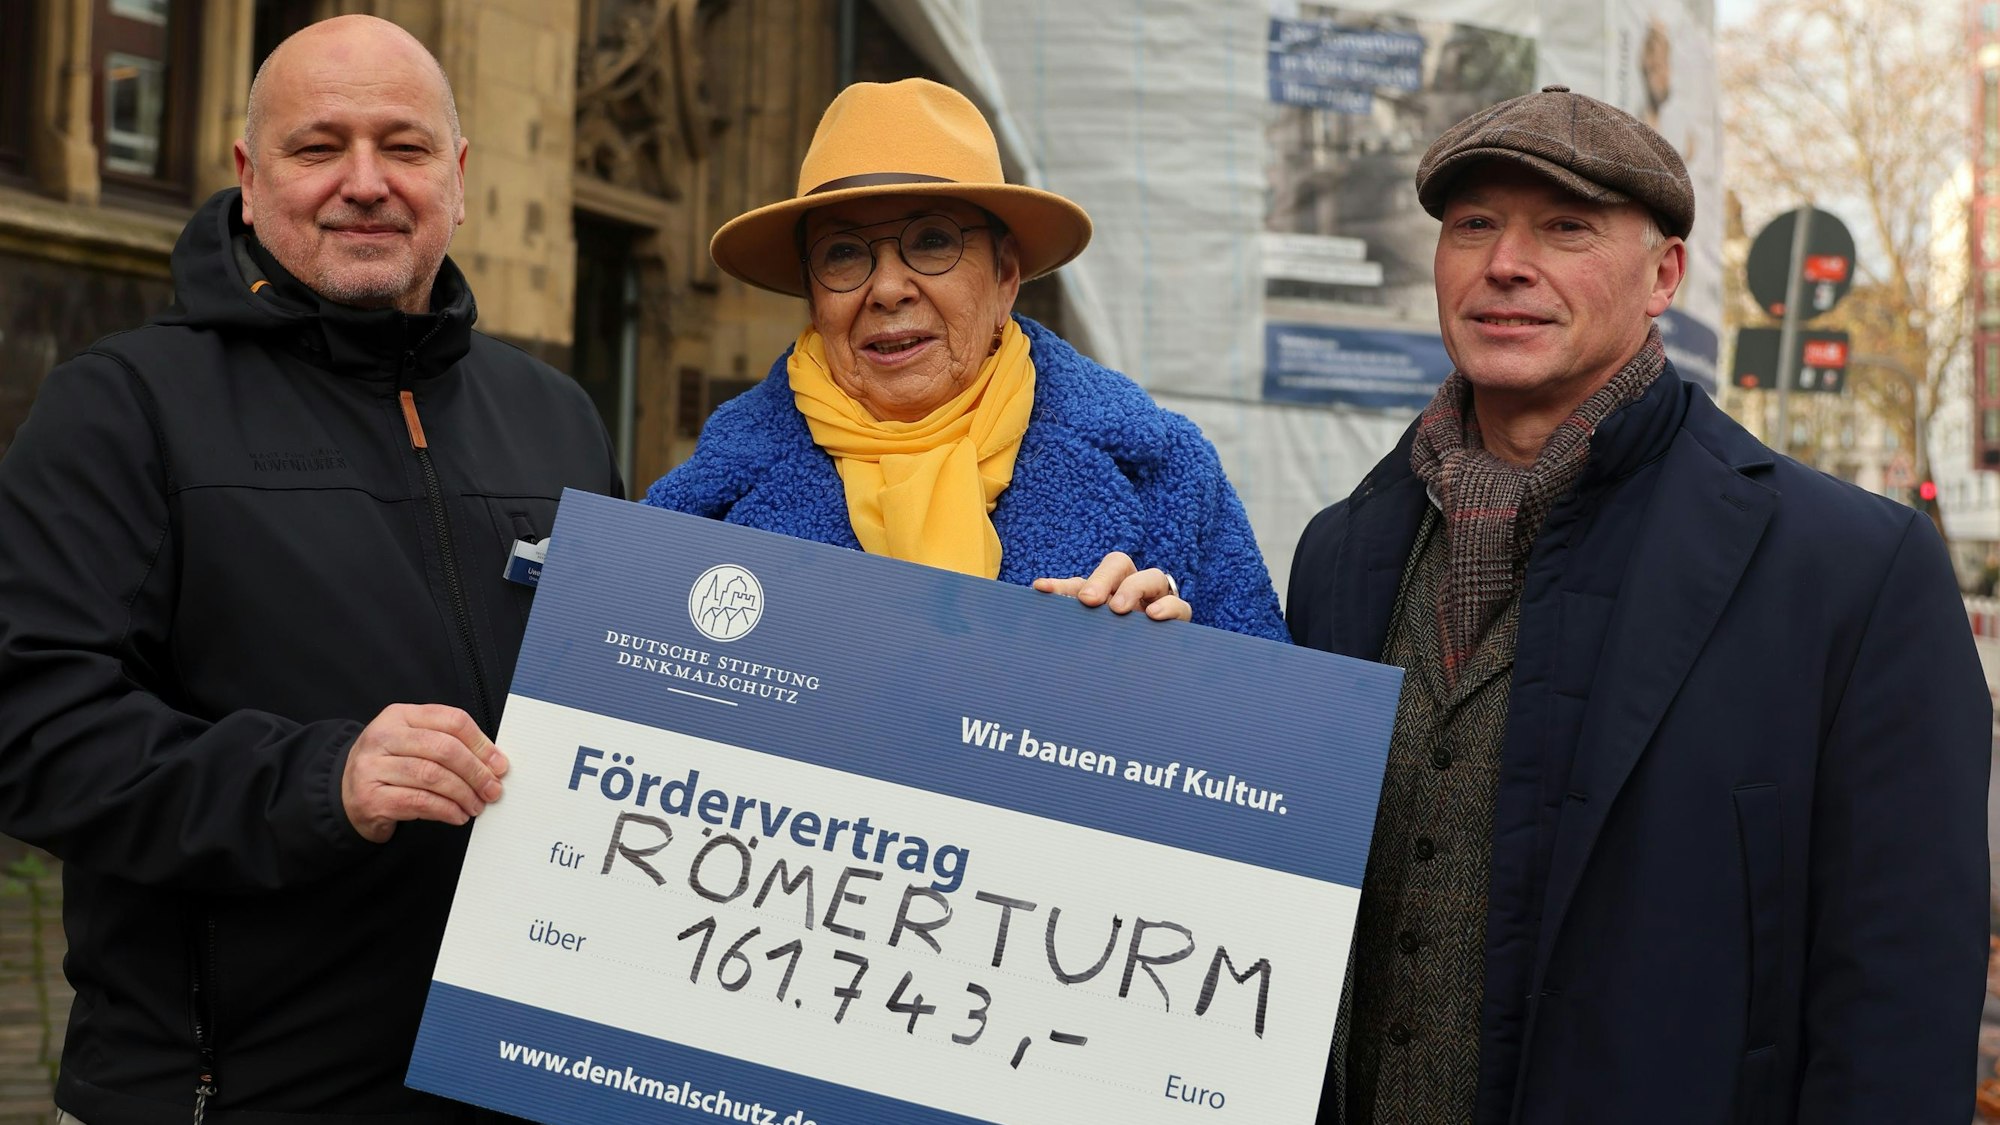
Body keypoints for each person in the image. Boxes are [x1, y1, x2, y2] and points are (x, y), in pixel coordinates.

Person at [1286, 85, 1990, 1122]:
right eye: (1472, 223)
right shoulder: (1340, 550)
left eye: (1564, 227)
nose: (1504, 263)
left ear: (1662, 274)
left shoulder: (1849, 567)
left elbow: (1897, 990)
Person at [0, 15, 619, 1123]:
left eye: (406, 147)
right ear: (248, 175)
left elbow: (651, 702)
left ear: (461, 179)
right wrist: (317, 781)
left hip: (521, 1080)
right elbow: (31, 731)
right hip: (233, 1095)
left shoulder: (557, 418)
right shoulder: (125, 406)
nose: (366, 182)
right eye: (318, 145)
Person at [643, 78, 1286, 640]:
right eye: (843, 253)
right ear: (813, 295)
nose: (889, 288)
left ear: (1005, 275)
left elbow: (1274, 742)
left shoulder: (1170, 477)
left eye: (931, 241)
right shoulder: (700, 511)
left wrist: (1174, 670)